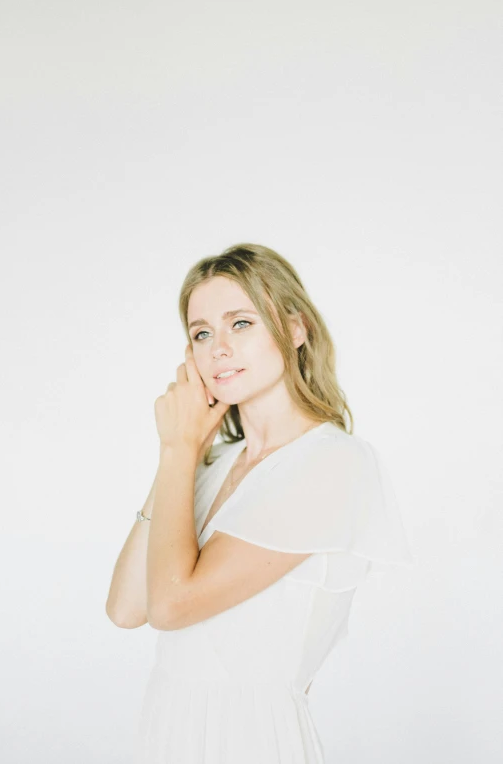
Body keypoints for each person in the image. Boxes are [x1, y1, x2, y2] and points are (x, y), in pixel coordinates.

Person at [105, 242, 414, 763]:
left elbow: (171, 605)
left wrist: (179, 448)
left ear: (295, 329)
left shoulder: (334, 463)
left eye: (240, 323)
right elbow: (126, 607)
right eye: (201, 333)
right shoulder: (209, 463)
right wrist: (180, 453)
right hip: (170, 731)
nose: (218, 348)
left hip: (251, 740)